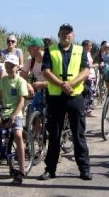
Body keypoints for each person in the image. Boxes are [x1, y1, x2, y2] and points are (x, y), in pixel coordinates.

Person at [38, 23, 92, 181]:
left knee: (78, 135)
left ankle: (84, 169)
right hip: (56, 96)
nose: (66, 35)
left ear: (73, 35)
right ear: (58, 34)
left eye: (69, 33)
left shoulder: (80, 50)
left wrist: (72, 84)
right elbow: (46, 71)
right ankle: (50, 169)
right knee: (54, 135)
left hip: (75, 96)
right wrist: (61, 84)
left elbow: (86, 70)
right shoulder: (50, 50)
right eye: (63, 32)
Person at [0, 55, 29, 184]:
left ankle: (21, 169)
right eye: (7, 66)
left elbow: (21, 101)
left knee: (18, 135)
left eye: (11, 66)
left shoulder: (21, 81)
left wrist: (14, 116)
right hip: (3, 112)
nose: (9, 68)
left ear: (17, 67)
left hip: (16, 113)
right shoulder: (3, 81)